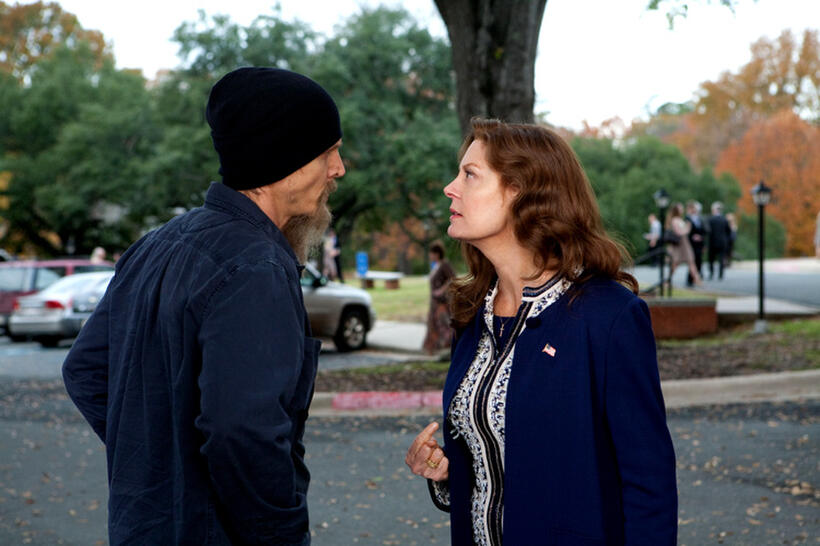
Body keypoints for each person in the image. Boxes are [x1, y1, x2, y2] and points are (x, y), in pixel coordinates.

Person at [62, 67, 345, 544]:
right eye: (328, 152)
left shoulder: (157, 243)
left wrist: (159, 458)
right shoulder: (256, 266)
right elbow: (243, 432)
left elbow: (86, 370)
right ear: (285, 161)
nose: (339, 168)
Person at [405, 119, 677, 545]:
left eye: (469, 175)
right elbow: (512, 467)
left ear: (521, 191)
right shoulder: (473, 315)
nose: (450, 188)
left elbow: (649, 484)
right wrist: (448, 474)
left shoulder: (608, 317)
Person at [422, 240, 456, 355]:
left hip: (442, 303)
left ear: (437, 254)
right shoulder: (436, 266)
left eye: (431, 253)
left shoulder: (444, 264)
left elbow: (452, 278)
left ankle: (447, 349)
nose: (430, 256)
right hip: (434, 303)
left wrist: (441, 290)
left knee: (444, 325)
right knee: (433, 325)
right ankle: (434, 350)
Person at [666, 202, 702, 287]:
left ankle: (697, 280)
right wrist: (687, 229)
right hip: (680, 245)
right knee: (675, 263)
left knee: (691, 262)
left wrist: (686, 228)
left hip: (685, 244)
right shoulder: (675, 220)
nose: (682, 209)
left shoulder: (680, 219)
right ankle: (667, 280)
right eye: (680, 208)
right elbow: (678, 232)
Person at [707, 201, 732, 280]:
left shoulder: (711, 219)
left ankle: (711, 273)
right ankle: (720, 274)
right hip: (722, 242)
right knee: (721, 258)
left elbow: (708, 231)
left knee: (711, 259)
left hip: (712, 242)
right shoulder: (724, 219)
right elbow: (728, 231)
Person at [685, 200, 706, 286]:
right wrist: (692, 236)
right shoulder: (687, 218)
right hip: (691, 243)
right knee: (692, 261)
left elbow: (703, 230)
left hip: (699, 244)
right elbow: (686, 232)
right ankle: (691, 279)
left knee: (699, 261)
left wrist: (701, 238)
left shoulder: (699, 218)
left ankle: (696, 277)